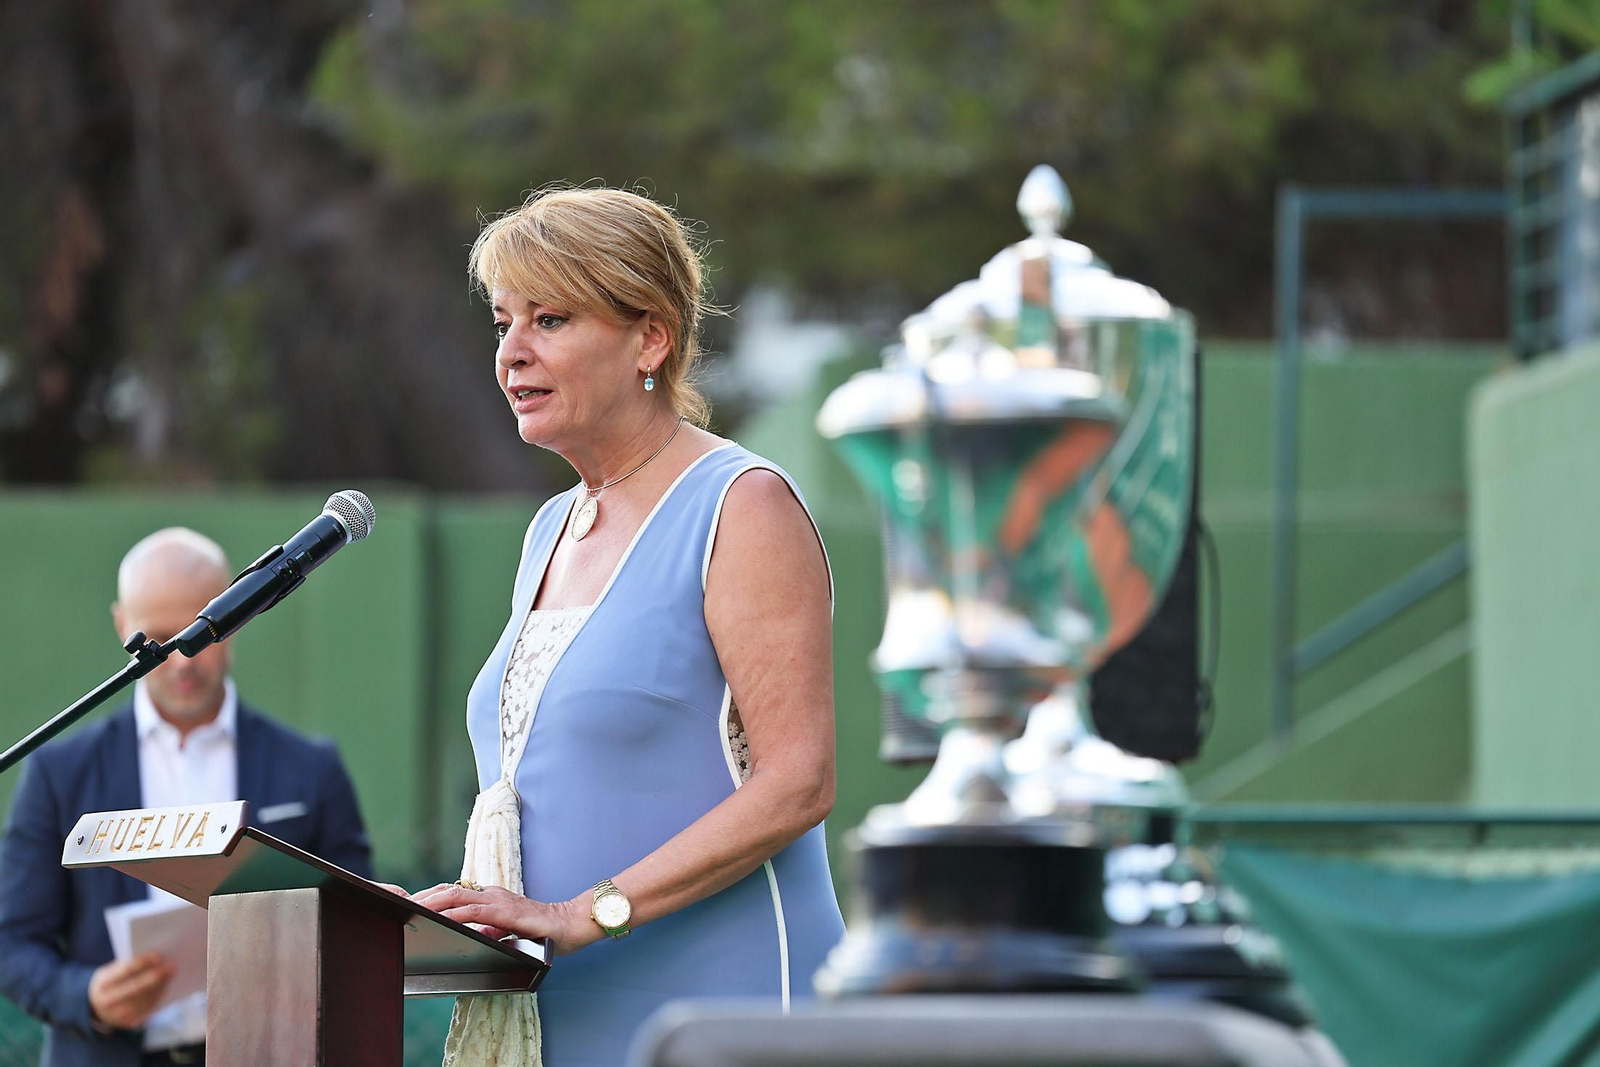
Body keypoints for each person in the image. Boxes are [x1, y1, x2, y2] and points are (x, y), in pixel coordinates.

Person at [407, 187, 845, 1066]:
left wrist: (585, 913)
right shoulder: (550, 529)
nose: (512, 353)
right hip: (560, 1010)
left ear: (651, 337)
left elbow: (799, 782)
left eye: (551, 318)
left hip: (725, 1008)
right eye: (503, 322)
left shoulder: (740, 505)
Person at [0, 527, 373, 1067]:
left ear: (241, 613)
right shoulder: (60, 773)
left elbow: (359, 925)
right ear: (123, 626)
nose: (183, 659)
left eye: (203, 632)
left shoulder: (310, 769)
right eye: (159, 635)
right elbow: (12, 940)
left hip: (268, 1050)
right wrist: (86, 996)